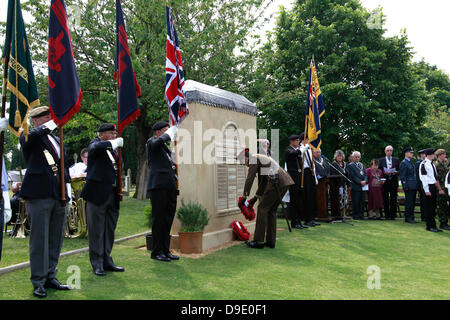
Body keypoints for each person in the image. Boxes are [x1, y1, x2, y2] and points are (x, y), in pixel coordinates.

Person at [19, 106, 71, 298]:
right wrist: (50, 124)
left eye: (52, 116)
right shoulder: (29, 136)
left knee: (55, 238)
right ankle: (38, 281)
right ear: (36, 121)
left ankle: (51, 276)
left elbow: (62, 165)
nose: (52, 119)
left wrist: (67, 189)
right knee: (40, 240)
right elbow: (27, 139)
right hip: (39, 195)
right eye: (47, 117)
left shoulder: (56, 139)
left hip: (58, 195)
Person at [80, 123, 125, 275]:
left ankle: (107, 259)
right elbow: (94, 149)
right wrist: (113, 143)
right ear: (102, 134)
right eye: (111, 133)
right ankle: (97, 263)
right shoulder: (96, 144)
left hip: (112, 194)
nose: (114, 135)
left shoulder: (112, 150)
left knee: (109, 230)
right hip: (97, 194)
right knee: (97, 231)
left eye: (114, 133)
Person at [237, 148, 294, 249]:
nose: (244, 165)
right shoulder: (259, 158)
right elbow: (263, 181)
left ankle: (258, 241)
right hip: (285, 180)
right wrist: (255, 197)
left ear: (246, 159)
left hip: (277, 181)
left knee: (262, 209)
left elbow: (250, 178)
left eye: (242, 162)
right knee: (271, 210)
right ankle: (270, 241)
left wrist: (245, 196)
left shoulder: (253, 159)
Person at [146, 121, 179, 262]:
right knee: (159, 219)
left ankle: (165, 249)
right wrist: (168, 133)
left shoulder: (165, 148)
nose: (169, 133)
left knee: (168, 219)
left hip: (169, 187)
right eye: (166, 130)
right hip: (158, 187)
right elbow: (155, 144)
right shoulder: (152, 142)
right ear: (158, 132)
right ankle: (157, 251)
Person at [284, 134, 307, 229]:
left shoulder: (296, 151)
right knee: (294, 201)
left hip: (299, 179)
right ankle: (294, 221)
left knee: (300, 201)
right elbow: (293, 154)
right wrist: (301, 150)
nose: (298, 142)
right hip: (293, 179)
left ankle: (299, 221)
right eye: (297, 140)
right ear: (292, 141)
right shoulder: (288, 150)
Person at [419, 148, 444, 232]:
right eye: (433, 154)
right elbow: (424, 177)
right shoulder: (424, 164)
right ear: (429, 155)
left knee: (433, 207)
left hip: (432, 186)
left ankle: (433, 225)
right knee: (429, 207)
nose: (434, 155)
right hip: (428, 186)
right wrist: (426, 190)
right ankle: (429, 226)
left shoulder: (432, 164)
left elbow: (434, 177)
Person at [299, 132, 320, 227]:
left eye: (308, 139)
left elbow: (313, 164)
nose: (308, 141)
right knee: (306, 196)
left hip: (311, 173)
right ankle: (306, 218)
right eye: (306, 139)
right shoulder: (300, 149)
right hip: (304, 173)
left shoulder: (310, 150)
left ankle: (312, 218)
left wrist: (315, 177)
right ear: (302, 140)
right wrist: (305, 147)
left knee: (312, 196)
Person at [378, 145, 400, 220]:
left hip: (393, 181)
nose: (389, 152)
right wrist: (384, 173)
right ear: (385, 151)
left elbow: (400, 170)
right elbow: (378, 171)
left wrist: (396, 172)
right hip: (385, 182)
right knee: (385, 199)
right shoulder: (380, 160)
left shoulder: (396, 160)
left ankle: (393, 215)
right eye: (388, 150)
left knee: (393, 199)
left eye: (391, 150)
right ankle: (387, 215)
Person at [346, 151, 368, 220]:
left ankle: (361, 215)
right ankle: (355, 215)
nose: (357, 158)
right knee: (356, 201)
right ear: (353, 157)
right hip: (355, 186)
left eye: (358, 157)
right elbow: (352, 176)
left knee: (362, 201)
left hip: (363, 186)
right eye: (356, 157)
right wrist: (360, 182)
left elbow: (365, 174)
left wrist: (365, 181)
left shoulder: (362, 165)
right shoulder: (350, 165)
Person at [399, 147, 419, 224]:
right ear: (406, 153)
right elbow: (403, 176)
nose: (412, 154)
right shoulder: (404, 163)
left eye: (412, 152)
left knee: (412, 202)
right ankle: (408, 217)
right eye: (410, 152)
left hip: (413, 185)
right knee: (409, 202)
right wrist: (405, 186)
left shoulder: (410, 162)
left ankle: (411, 217)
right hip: (409, 186)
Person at [330, 150, 349, 217]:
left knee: (345, 200)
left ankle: (344, 214)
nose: (339, 157)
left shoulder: (345, 164)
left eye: (341, 156)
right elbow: (332, 175)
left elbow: (347, 174)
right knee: (339, 200)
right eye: (338, 156)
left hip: (345, 185)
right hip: (337, 186)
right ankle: (338, 214)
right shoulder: (333, 164)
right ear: (335, 157)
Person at [434, 149, 450, 230]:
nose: (445, 156)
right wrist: (440, 189)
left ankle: (445, 222)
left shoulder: (444, 164)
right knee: (442, 206)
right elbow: (436, 179)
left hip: (446, 188)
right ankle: (442, 223)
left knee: (445, 206)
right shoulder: (437, 166)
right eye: (444, 154)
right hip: (441, 188)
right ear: (440, 155)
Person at [415, 149, 427, 221]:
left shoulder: (427, 163)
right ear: (421, 155)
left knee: (426, 201)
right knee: (423, 201)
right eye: (424, 154)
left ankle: (426, 215)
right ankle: (423, 216)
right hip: (421, 185)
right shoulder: (418, 163)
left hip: (426, 184)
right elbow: (417, 175)